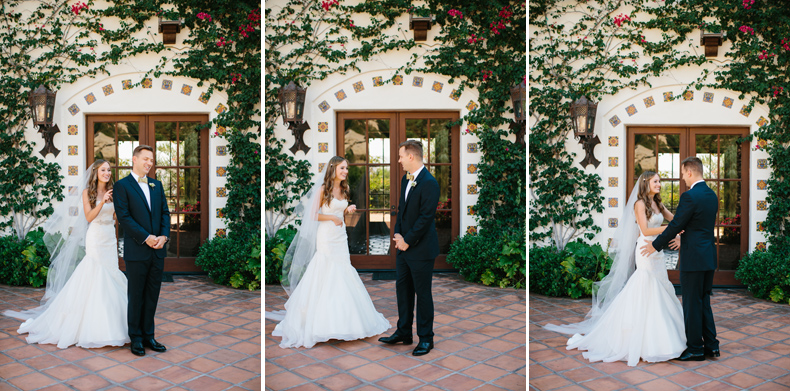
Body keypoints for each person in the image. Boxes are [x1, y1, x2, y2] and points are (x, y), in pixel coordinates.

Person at [545, 170, 686, 367]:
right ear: (646, 183)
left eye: (659, 181)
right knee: (646, 288)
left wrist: (680, 232)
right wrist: (669, 230)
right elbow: (645, 230)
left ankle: (666, 336)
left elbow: (676, 221)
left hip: (658, 252)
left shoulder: (659, 204)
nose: (659, 184)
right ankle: (642, 341)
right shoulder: (639, 204)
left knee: (661, 288)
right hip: (646, 250)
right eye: (656, 181)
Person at [3, 160, 130, 349]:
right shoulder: (88, 193)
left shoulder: (115, 191)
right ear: (95, 173)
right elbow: (88, 217)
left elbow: (114, 217)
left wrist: (117, 208)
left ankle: (119, 325)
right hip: (95, 237)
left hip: (109, 237)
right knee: (96, 275)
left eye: (109, 170)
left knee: (111, 274)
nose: (107, 173)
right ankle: (92, 327)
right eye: (103, 170)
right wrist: (103, 201)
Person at [272, 156, 390, 348]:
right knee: (326, 270)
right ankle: (321, 323)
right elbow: (312, 215)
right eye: (342, 168)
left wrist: (346, 211)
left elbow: (338, 212)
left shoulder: (344, 189)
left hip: (340, 236)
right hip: (327, 236)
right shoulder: (322, 190)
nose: (346, 171)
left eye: (347, 168)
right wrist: (332, 218)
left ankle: (346, 320)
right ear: (334, 168)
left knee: (343, 270)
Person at [641, 157, 720, 361]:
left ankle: (695, 348)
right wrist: (681, 236)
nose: (683, 178)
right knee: (703, 301)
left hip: (693, 258)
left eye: (684, 173)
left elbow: (676, 225)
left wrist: (655, 245)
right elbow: (696, 226)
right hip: (708, 256)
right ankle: (712, 346)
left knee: (692, 303)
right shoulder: (712, 195)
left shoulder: (690, 196)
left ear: (690, 172)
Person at [378, 140, 440, 356]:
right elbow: (402, 211)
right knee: (403, 292)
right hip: (403, 249)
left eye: (401, 156)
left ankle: (426, 338)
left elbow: (425, 218)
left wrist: (408, 240)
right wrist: (397, 234)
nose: (399, 160)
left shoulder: (430, 183)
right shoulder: (407, 179)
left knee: (422, 295)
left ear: (411, 157)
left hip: (421, 249)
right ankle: (404, 332)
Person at [113, 145, 170, 356]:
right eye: (145, 159)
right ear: (134, 159)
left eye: (151, 160)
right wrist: (146, 238)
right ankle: (135, 338)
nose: (149, 163)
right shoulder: (122, 186)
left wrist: (164, 236)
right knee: (136, 295)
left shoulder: (157, 184)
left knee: (152, 295)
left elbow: (165, 212)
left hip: (158, 251)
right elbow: (124, 218)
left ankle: (149, 336)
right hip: (137, 250)